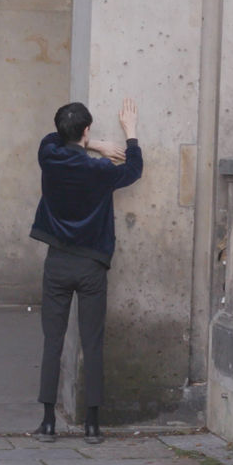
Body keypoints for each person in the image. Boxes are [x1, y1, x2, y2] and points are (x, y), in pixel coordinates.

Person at [28, 98, 142, 444]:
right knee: (92, 343)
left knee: (53, 341)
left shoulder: (49, 158)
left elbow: (51, 138)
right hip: (92, 263)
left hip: (58, 261)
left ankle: (48, 422)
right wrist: (129, 134)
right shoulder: (100, 170)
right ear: (87, 129)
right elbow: (134, 170)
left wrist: (86, 142)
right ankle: (92, 424)